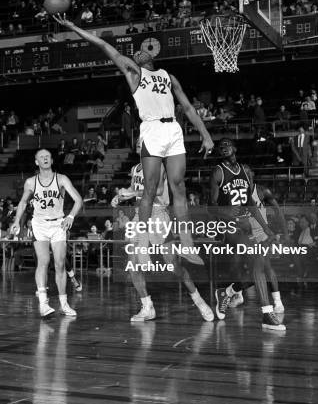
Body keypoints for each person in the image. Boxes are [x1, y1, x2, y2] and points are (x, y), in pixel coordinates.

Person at [54, 14, 213, 267]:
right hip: (151, 130)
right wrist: (73, 27)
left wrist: (205, 135)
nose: (138, 54)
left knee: (179, 186)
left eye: (142, 51)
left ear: (152, 55)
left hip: (173, 129)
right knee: (150, 188)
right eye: (135, 52)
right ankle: (142, 241)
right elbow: (105, 47)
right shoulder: (133, 72)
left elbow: (190, 109)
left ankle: (187, 243)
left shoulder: (169, 77)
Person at [116, 143, 213, 322]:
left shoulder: (158, 165)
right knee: (133, 264)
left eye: (143, 143)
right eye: (138, 144)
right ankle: (147, 306)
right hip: (140, 216)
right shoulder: (135, 168)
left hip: (158, 215)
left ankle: (199, 301)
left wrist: (131, 194)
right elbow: (135, 193)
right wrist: (122, 196)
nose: (140, 145)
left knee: (174, 265)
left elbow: (159, 190)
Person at [209, 138, 285, 331]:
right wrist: (227, 215)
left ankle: (226, 292)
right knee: (258, 265)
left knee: (259, 269)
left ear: (234, 148)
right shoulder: (218, 172)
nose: (223, 147)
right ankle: (267, 315)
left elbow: (251, 204)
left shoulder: (244, 170)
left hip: (247, 225)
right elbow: (212, 207)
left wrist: (265, 227)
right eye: (221, 146)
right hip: (231, 228)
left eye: (226, 144)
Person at [11, 149, 83, 317]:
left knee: (59, 264)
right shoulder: (30, 182)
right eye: (41, 157)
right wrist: (16, 221)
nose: (45, 158)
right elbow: (22, 203)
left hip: (58, 224)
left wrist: (71, 216)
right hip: (40, 225)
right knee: (43, 261)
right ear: (36, 162)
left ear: (51, 160)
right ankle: (43, 304)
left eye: (47, 156)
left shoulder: (61, 179)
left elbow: (78, 200)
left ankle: (64, 304)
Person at [226, 168, 286, 313]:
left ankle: (277, 303)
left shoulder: (262, 191)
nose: (244, 173)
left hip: (263, 235)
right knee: (245, 268)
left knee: (264, 267)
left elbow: (278, 211)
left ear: (252, 174)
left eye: (247, 171)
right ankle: (237, 293)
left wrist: (285, 233)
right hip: (245, 235)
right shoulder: (236, 193)